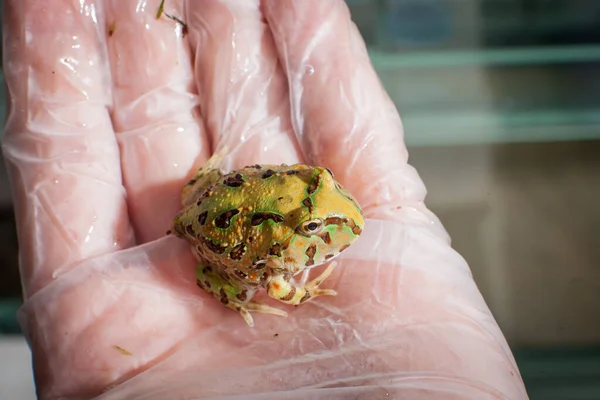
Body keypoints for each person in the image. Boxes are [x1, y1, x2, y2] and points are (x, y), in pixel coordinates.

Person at [1, 1, 528, 399]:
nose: (341, 213)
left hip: (212, 195)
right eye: (317, 230)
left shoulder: (311, 190)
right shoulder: (278, 262)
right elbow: (279, 285)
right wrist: (293, 294)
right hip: (212, 230)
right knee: (236, 284)